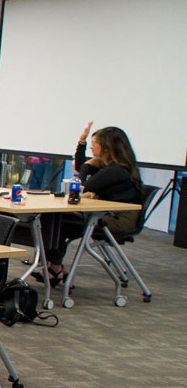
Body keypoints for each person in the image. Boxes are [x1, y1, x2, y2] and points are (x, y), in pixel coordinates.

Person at [37, 122, 143, 285]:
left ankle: (53, 267)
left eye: (94, 144)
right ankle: (54, 267)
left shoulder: (115, 170)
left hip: (117, 219)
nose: (91, 148)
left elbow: (82, 186)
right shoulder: (113, 167)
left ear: (106, 147)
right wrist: (82, 142)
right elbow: (81, 169)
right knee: (58, 221)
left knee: (59, 223)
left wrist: (86, 167)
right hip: (105, 214)